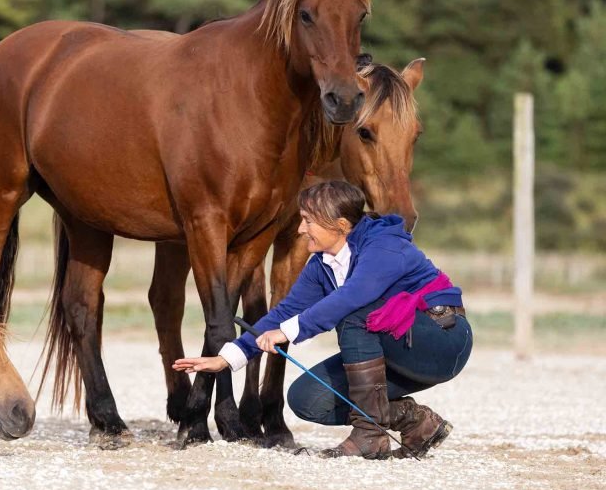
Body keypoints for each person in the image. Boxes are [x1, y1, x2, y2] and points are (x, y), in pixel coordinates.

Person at [173, 180, 473, 459]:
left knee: (354, 312)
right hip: (396, 351)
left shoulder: (385, 246)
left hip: (443, 342)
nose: (301, 229)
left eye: (308, 220)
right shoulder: (322, 264)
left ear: (340, 225)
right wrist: (226, 358)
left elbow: (351, 297)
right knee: (307, 400)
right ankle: (416, 421)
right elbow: (283, 312)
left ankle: (370, 436)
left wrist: (286, 333)